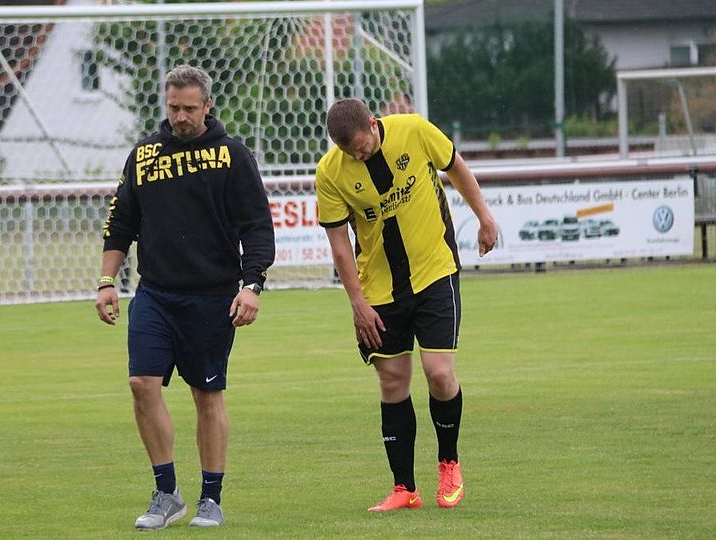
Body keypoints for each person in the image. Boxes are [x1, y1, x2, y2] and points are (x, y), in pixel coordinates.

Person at [95, 65, 275, 530]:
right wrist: (106, 281)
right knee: (141, 384)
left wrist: (252, 286)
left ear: (207, 106)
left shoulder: (233, 156)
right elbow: (120, 223)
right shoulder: (144, 155)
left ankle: (210, 498)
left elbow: (258, 227)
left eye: (189, 108)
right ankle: (166, 492)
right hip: (155, 293)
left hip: (212, 297)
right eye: (173, 107)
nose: (179, 117)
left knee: (206, 395)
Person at [315, 98, 498, 512]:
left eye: (362, 147)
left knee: (439, 373)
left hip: (435, 270)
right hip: (379, 289)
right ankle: (404, 489)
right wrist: (357, 304)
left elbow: (456, 167)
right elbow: (339, 244)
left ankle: (449, 463)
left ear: (373, 124)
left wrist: (484, 218)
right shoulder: (329, 172)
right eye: (349, 152)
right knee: (393, 381)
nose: (358, 156)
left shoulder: (414, 130)